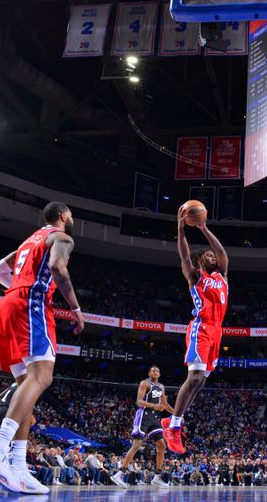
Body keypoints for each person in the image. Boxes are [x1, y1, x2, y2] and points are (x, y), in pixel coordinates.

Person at [0, 202, 85, 494]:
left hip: (7, 305)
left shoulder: (28, 241)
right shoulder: (62, 238)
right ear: (62, 216)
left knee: (27, 387)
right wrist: (75, 308)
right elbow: (57, 267)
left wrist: (20, 287)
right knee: (42, 377)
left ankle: (18, 466)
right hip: (29, 306)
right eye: (70, 215)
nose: (71, 219)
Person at [162, 207, 229, 454]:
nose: (213, 257)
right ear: (202, 262)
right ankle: (174, 426)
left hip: (217, 332)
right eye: (209, 256)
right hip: (200, 327)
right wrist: (180, 228)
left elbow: (222, 252)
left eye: (213, 256)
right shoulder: (196, 276)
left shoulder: (223, 275)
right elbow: (185, 257)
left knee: (201, 382)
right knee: (195, 377)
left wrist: (203, 228)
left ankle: (173, 422)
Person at [111, 366, 174, 488]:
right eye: (153, 370)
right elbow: (139, 401)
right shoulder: (145, 383)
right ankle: (119, 474)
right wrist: (154, 405)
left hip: (154, 419)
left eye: (157, 371)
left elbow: (165, 404)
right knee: (136, 445)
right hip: (143, 416)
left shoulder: (161, 387)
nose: (155, 372)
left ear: (159, 374)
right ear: (149, 373)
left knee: (162, 445)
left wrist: (177, 414)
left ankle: (157, 477)